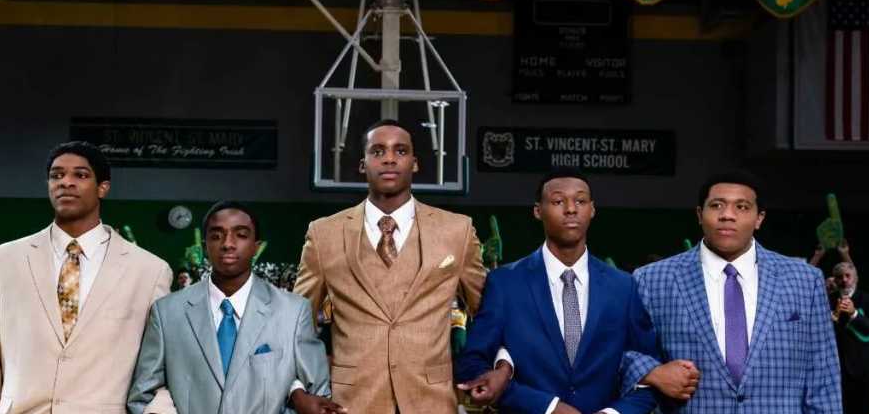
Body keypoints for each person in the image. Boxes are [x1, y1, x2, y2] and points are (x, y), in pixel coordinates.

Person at [0, 141, 173, 413]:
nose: (66, 182)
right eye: (57, 175)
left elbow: (160, 370)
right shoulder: (5, 260)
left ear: (103, 188)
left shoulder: (149, 271)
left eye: (80, 175)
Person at [293, 119, 486, 413]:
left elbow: (486, 313)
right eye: (378, 151)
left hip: (432, 402)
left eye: (401, 151)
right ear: (363, 164)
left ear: (415, 163)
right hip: (351, 402)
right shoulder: (323, 234)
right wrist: (297, 389)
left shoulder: (457, 231)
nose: (390, 159)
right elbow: (296, 322)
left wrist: (491, 367)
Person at [621, 170, 842, 413]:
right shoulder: (652, 280)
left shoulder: (804, 280)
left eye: (742, 207)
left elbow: (823, 377)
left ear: (759, 218)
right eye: (717, 205)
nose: (727, 215)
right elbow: (621, 352)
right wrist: (654, 372)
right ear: (699, 214)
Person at [456, 169, 658, 414]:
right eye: (558, 201)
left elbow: (650, 371)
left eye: (580, 201)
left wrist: (613, 413)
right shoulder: (505, 283)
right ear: (537, 211)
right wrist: (548, 407)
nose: (571, 209)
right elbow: (472, 364)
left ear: (592, 209)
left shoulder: (623, 287)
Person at [129, 201, 341, 414]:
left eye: (240, 235)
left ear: (256, 246)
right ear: (205, 246)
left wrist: (295, 394)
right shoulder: (167, 313)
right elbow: (142, 397)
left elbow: (317, 395)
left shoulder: (292, 312)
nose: (228, 244)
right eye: (216, 236)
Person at [819, 241, 869, 414]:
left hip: (862, 370)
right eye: (840, 277)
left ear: (855, 278)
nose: (844, 280)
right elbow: (820, 334)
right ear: (835, 280)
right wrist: (834, 316)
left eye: (848, 276)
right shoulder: (826, 301)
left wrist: (854, 313)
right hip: (834, 371)